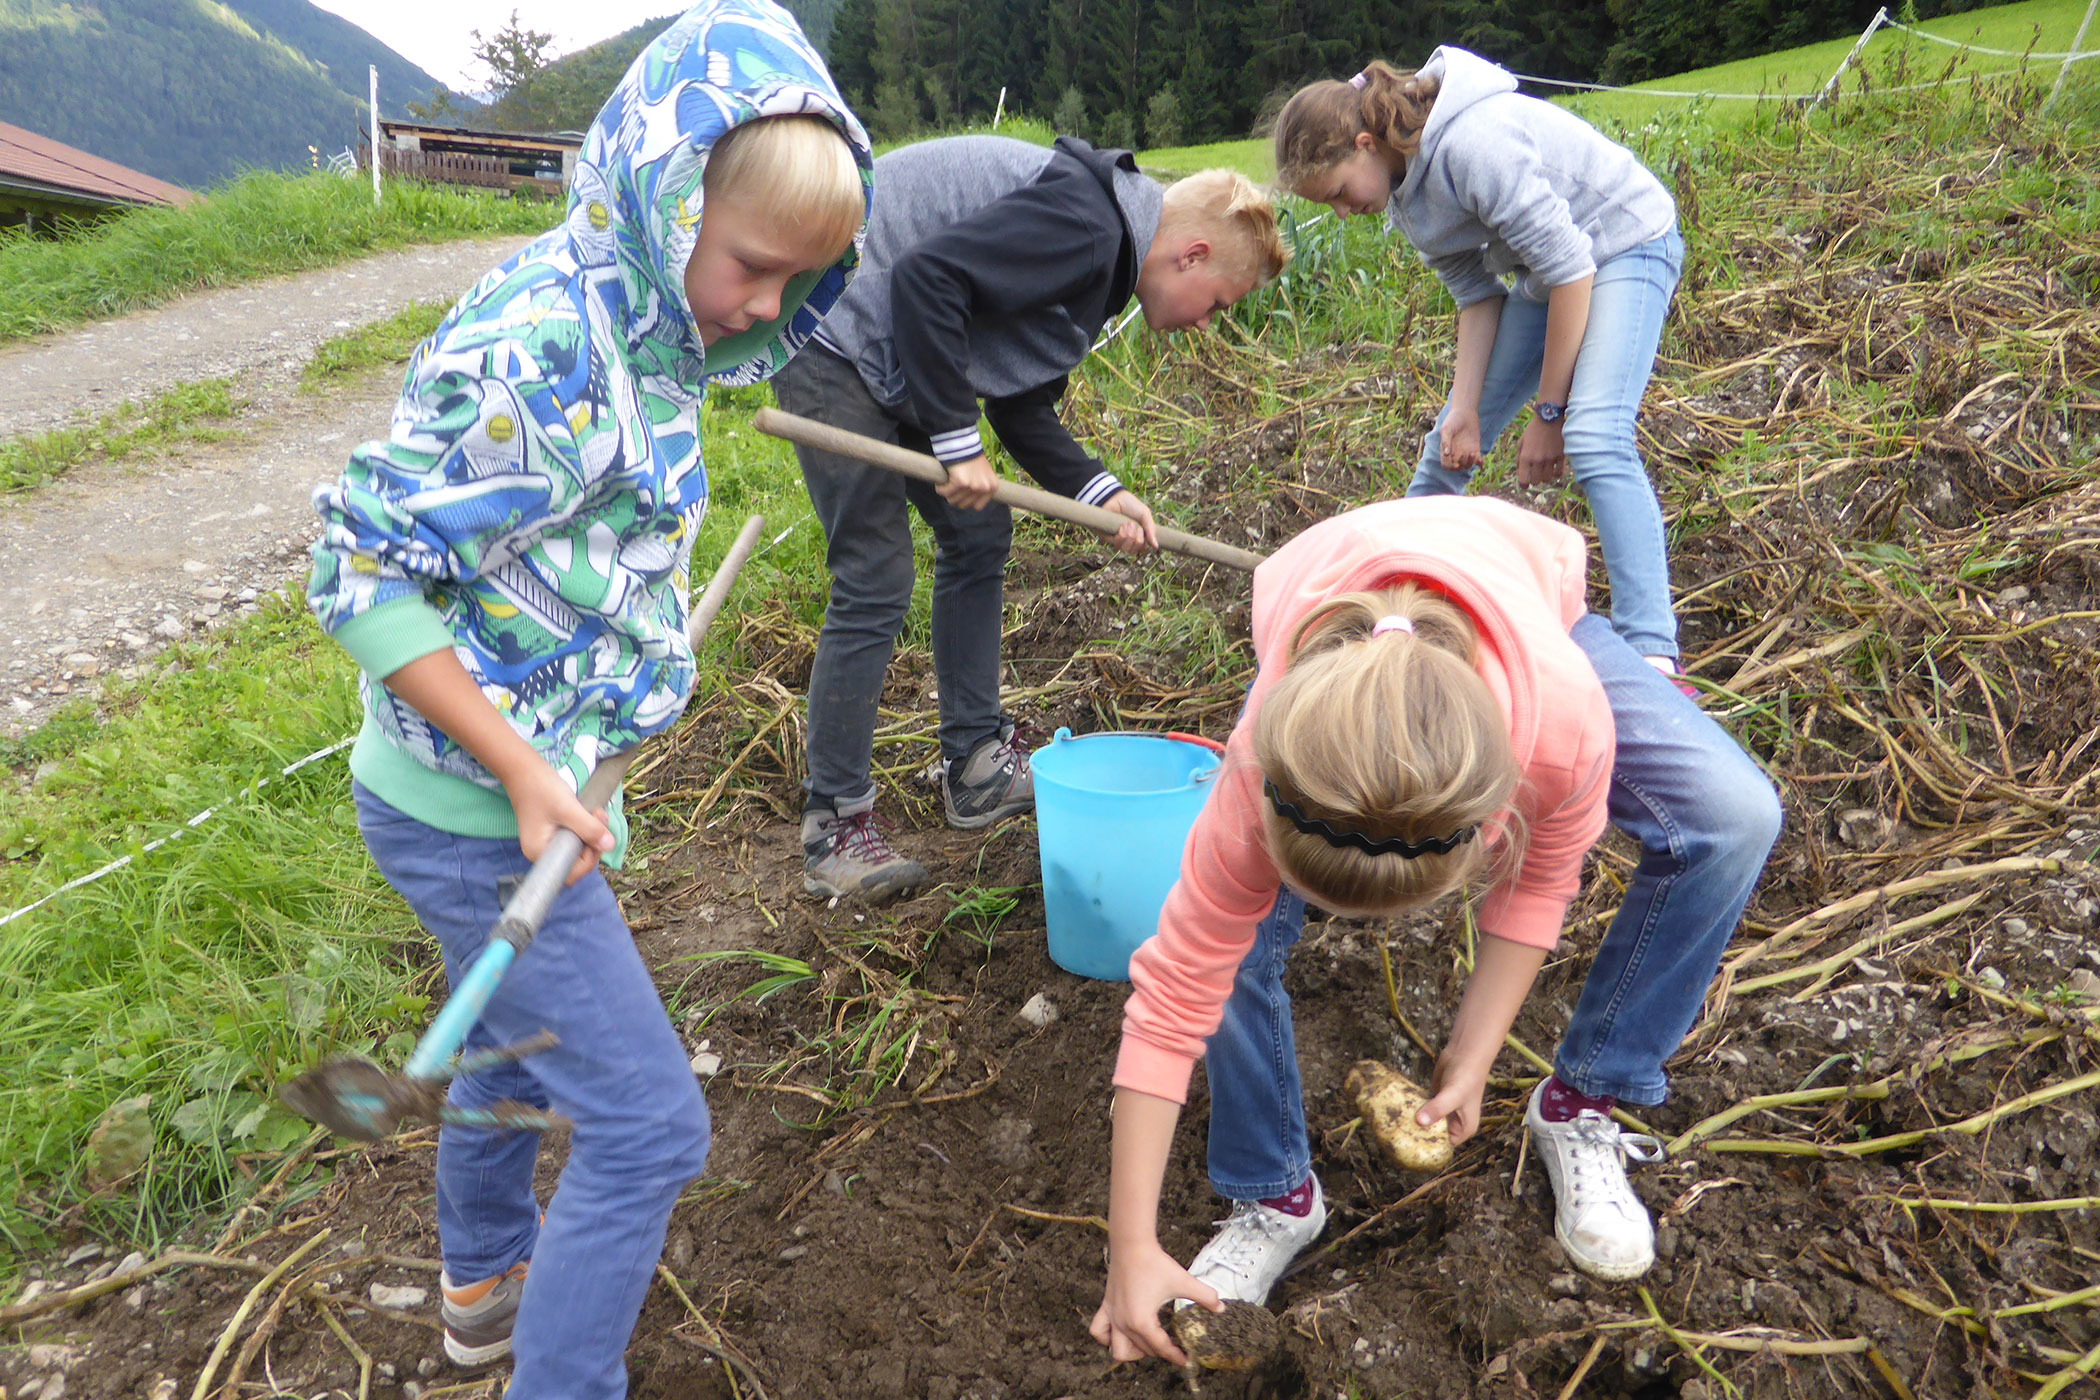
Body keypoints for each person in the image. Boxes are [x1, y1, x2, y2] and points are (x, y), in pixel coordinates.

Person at [305, 5, 871, 1395]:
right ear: (665, 193)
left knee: (509, 1045)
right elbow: (360, 570)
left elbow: (566, 537)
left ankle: (487, 1287)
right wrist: (515, 768)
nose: (758, 309)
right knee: (650, 1130)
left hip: (513, 783)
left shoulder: (647, 318)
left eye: (798, 282)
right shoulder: (543, 352)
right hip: (474, 810)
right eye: (750, 266)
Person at [1089, 497, 1781, 1369]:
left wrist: (1476, 1054)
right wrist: (1131, 1252)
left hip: (1526, 601)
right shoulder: (1266, 757)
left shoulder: (1563, 733)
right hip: (1331, 588)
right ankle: (1273, 1192)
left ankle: (1581, 1100)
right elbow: (1175, 993)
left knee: (1737, 814)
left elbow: (1541, 881)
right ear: (1264, 809)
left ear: (1495, 819)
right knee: (1234, 944)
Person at [773, 139, 1289, 901]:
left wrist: (1100, 492)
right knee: (876, 574)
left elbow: (1018, 402)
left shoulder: (1106, 257)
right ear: (1191, 254)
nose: (1210, 323)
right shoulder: (1086, 227)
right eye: (1220, 303)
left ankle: (976, 765)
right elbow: (925, 279)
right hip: (838, 329)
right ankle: (833, 827)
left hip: (900, 345)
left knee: (978, 533)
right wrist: (955, 442)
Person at [1272, 51, 1693, 689]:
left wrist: (1549, 413)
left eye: (1335, 193)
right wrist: (1464, 411)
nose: (1340, 212)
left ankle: (1654, 655)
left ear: (1364, 144)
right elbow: (1478, 296)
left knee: (1594, 434)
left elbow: (1573, 270)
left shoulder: (1473, 144)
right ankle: (1398, 608)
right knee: (1444, 446)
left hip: (1624, 244)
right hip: (1550, 271)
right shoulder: (1402, 192)